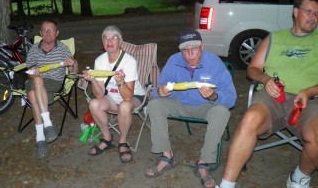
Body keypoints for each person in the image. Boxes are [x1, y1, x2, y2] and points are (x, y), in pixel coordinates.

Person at [216, 0, 318, 188]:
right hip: (273, 97)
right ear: (295, 12)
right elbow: (252, 69)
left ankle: (299, 177)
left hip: (309, 102)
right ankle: (226, 185)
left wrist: (310, 91)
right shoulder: (274, 38)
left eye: (317, 13)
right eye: (309, 12)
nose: (313, 17)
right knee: (249, 119)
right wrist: (266, 79)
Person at [144, 30, 237, 188]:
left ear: (202, 46)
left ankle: (203, 162)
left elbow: (231, 98)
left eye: (194, 49)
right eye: (185, 50)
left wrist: (214, 96)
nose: (190, 54)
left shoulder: (214, 63)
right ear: (180, 50)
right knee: (154, 104)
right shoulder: (174, 61)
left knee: (222, 111)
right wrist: (160, 91)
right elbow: (158, 88)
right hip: (179, 103)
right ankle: (166, 156)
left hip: (206, 107)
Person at [82, 25, 145, 163]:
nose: (109, 41)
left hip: (134, 97)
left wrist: (121, 82)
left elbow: (128, 97)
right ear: (102, 41)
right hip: (111, 97)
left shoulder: (129, 62)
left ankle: (122, 142)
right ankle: (107, 138)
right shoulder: (100, 61)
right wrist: (93, 79)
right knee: (94, 103)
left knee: (124, 105)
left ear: (120, 41)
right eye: (106, 38)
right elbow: (99, 94)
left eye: (114, 38)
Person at [26, 19, 78, 159]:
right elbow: (30, 70)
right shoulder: (33, 49)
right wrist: (34, 72)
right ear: (40, 33)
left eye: (51, 30)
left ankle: (40, 138)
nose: (48, 33)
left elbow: (73, 71)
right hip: (33, 81)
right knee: (37, 79)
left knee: (32, 96)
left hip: (54, 83)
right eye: (44, 30)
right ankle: (47, 124)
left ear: (57, 33)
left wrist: (73, 62)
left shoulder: (62, 49)